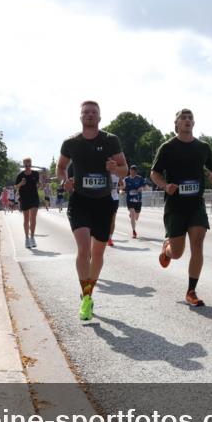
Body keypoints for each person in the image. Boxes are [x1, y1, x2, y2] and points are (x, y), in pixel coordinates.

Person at [57, 101, 128, 320]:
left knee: (97, 253)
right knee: (83, 249)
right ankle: (86, 298)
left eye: (93, 112)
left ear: (99, 117)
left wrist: (116, 169)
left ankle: (89, 291)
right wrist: (64, 181)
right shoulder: (71, 142)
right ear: (80, 117)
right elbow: (61, 168)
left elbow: (124, 169)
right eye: (86, 112)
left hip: (103, 202)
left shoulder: (110, 140)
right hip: (79, 201)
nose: (89, 115)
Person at [150, 108, 212, 307]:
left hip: (196, 204)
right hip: (175, 205)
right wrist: (165, 185)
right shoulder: (168, 147)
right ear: (177, 124)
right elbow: (154, 173)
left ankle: (191, 291)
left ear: (193, 123)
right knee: (178, 252)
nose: (187, 120)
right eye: (183, 118)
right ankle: (167, 250)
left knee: (197, 244)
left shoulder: (203, 147)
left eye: (190, 118)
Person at [15, 158, 41, 248]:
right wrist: (21, 184)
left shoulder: (35, 174)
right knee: (26, 219)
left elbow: (38, 184)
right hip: (24, 199)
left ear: (31, 165)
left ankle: (32, 237)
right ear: (24, 165)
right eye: (26, 166)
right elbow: (16, 187)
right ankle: (27, 238)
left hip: (34, 198)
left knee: (33, 218)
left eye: (29, 165)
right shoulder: (20, 175)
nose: (27, 167)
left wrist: (41, 184)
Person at [121, 165, 146, 239]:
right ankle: (134, 231)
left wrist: (142, 188)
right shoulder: (126, 179)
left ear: (136, 172)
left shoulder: (140, 178)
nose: (133, 173)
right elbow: (122, 188)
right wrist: (121, 191)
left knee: (136, 217)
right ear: (130, 171)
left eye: (134, 171)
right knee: (132, 213)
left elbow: (145, 187)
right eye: (132, 171)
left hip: (138, 200)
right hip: (130, 200)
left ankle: (133, 215)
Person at [108, 172, 120, 247]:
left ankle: (110, 238)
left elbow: (122, 184)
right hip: (105, 199)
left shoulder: (117, 174)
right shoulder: (105, 173)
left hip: (115, 199)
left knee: (113, 219)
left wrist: (119, 188)